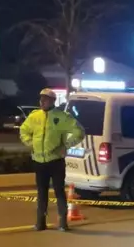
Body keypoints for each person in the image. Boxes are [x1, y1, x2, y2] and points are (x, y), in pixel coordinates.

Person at [20, 88, 85, 231]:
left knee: (59, 192)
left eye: (45, 99)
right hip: (39, 162)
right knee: (41, 193)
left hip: (55, 162)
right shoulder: (34, 116)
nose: (42, 101)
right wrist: (30, 143)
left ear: (53, 101)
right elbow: (23, 131)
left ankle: (62, 222)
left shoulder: (62, 117)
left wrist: (65, 145)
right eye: (41, 99)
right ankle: (40, 222)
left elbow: (79, 132)